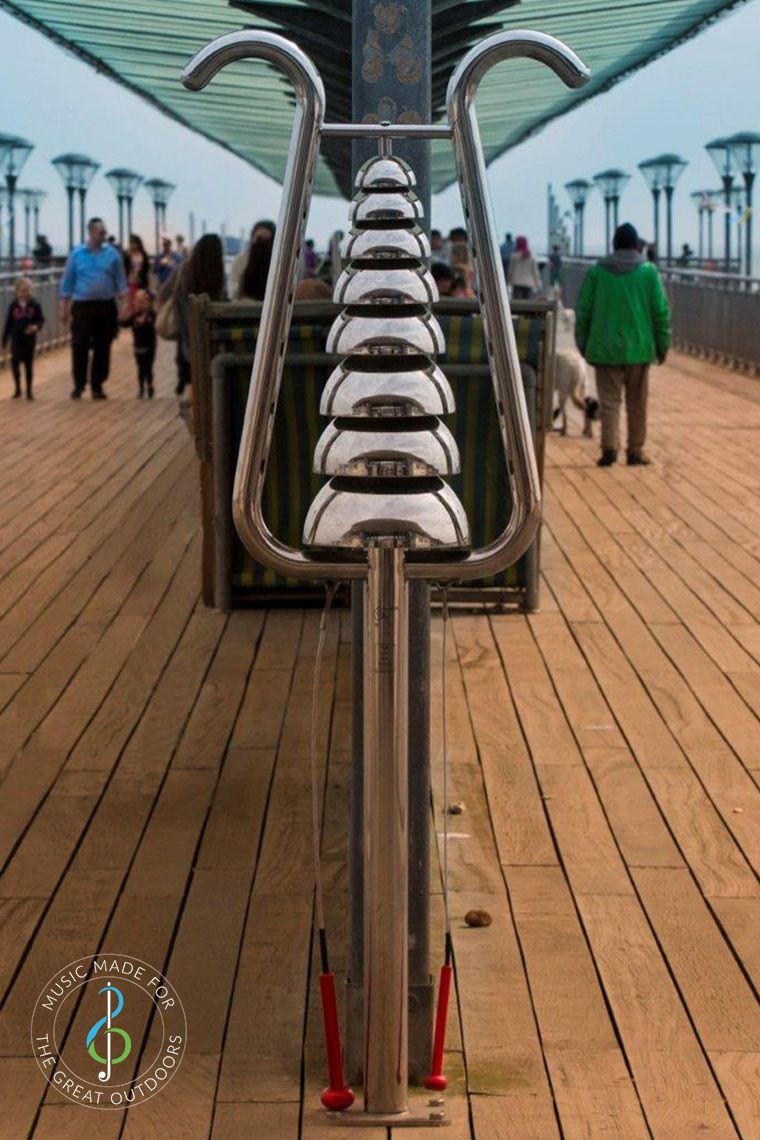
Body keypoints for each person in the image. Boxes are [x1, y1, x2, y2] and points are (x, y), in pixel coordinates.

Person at [575, 222, 671, 468]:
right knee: (637, 404)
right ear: (637, 246)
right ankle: (635, 451)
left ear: (613, 245)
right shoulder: (648, 272)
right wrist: (663, 345)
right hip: (639, 350)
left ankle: (609, 449)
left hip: (605, 348)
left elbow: (584, 311)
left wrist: (582, 342)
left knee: (610, 402)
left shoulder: (597, 272)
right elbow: (660, 312)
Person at [59, 216, 128, 399]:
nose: (104, 235)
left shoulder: (112, 254)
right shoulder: (77, 254)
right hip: (82, 306)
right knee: (79, 345)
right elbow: (68, 281)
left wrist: (125, 304)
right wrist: (64, 307)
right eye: (100, 232)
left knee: (103, 346)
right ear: (91, 233)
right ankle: (79, 384)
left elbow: (121, 281)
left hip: (105, 305)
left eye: (105, 232)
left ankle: (97, 385)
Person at [159, 233, 225, 395]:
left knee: (187, 360)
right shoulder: (218, 273)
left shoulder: (184, 269)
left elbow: (164, 292)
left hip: (186, 329)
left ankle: (187, 386)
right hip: (211, 333)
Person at [2, 277, 44, 400]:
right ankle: (18, 388)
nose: (26, 293)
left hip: (29, 339)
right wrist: (4, 340)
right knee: (15, 363)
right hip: (16, 339)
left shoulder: (35, 304)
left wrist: (36, 327)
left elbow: (41, 319)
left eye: (28, 290)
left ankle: (29, 390)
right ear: (17, 291)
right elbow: (8, 323)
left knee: (28, 365)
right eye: (23, 291)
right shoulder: (13, 306)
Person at [121, 288, 157, 399]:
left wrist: (146, 321)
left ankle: (150, 385)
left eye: (142, 301)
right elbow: (124, 324)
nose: (139, 303)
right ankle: (141, 388)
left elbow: (154, 326)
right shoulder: (135, 316)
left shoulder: (152, 315)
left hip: (150, 345)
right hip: (138, 346)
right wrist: (123, 314)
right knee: (140, 368)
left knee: (148, 366)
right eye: (137, 301)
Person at [228, 220, 276, 300]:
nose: (262, 243)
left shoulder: (278, 263)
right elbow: (232, 291)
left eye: (267, 240)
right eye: (259, 238)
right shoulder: (240, 260)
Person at [124, 234, 150, 312]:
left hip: (141, 281)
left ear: (138, 244)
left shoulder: (143, 255)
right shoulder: (128, 255)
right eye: (131, 243)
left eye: (134, 243)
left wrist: (140, 276)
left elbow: (146, 267)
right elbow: (125, 269)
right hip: (131, 282)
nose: (132, 245)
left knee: (141, 302)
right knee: (132, 303)